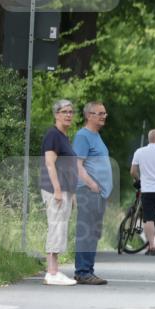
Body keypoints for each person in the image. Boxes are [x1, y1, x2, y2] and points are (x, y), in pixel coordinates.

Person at [73, 101, 112, 285]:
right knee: (86, 231)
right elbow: (77, 165)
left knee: (93, 232)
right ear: (89, 115)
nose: (104, 116)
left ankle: (88, 270)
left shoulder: (97, 136)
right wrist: (92, 184)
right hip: (88, 192)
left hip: (98, 194)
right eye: (100, 113)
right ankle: (82, 271)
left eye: (105, 113)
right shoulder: (83, 136)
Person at [40, 99, 78, 285]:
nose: (69, 115)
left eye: (71, 112)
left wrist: (72, 194)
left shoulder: (64, 136)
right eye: (64, 112)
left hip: (66, 190)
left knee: (61, 228)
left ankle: (55, 271)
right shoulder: (53, 135)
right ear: (56, 114)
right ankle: (52, 272)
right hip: (55, 189)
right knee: (56, 227)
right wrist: (57, 190)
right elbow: (50, 163)